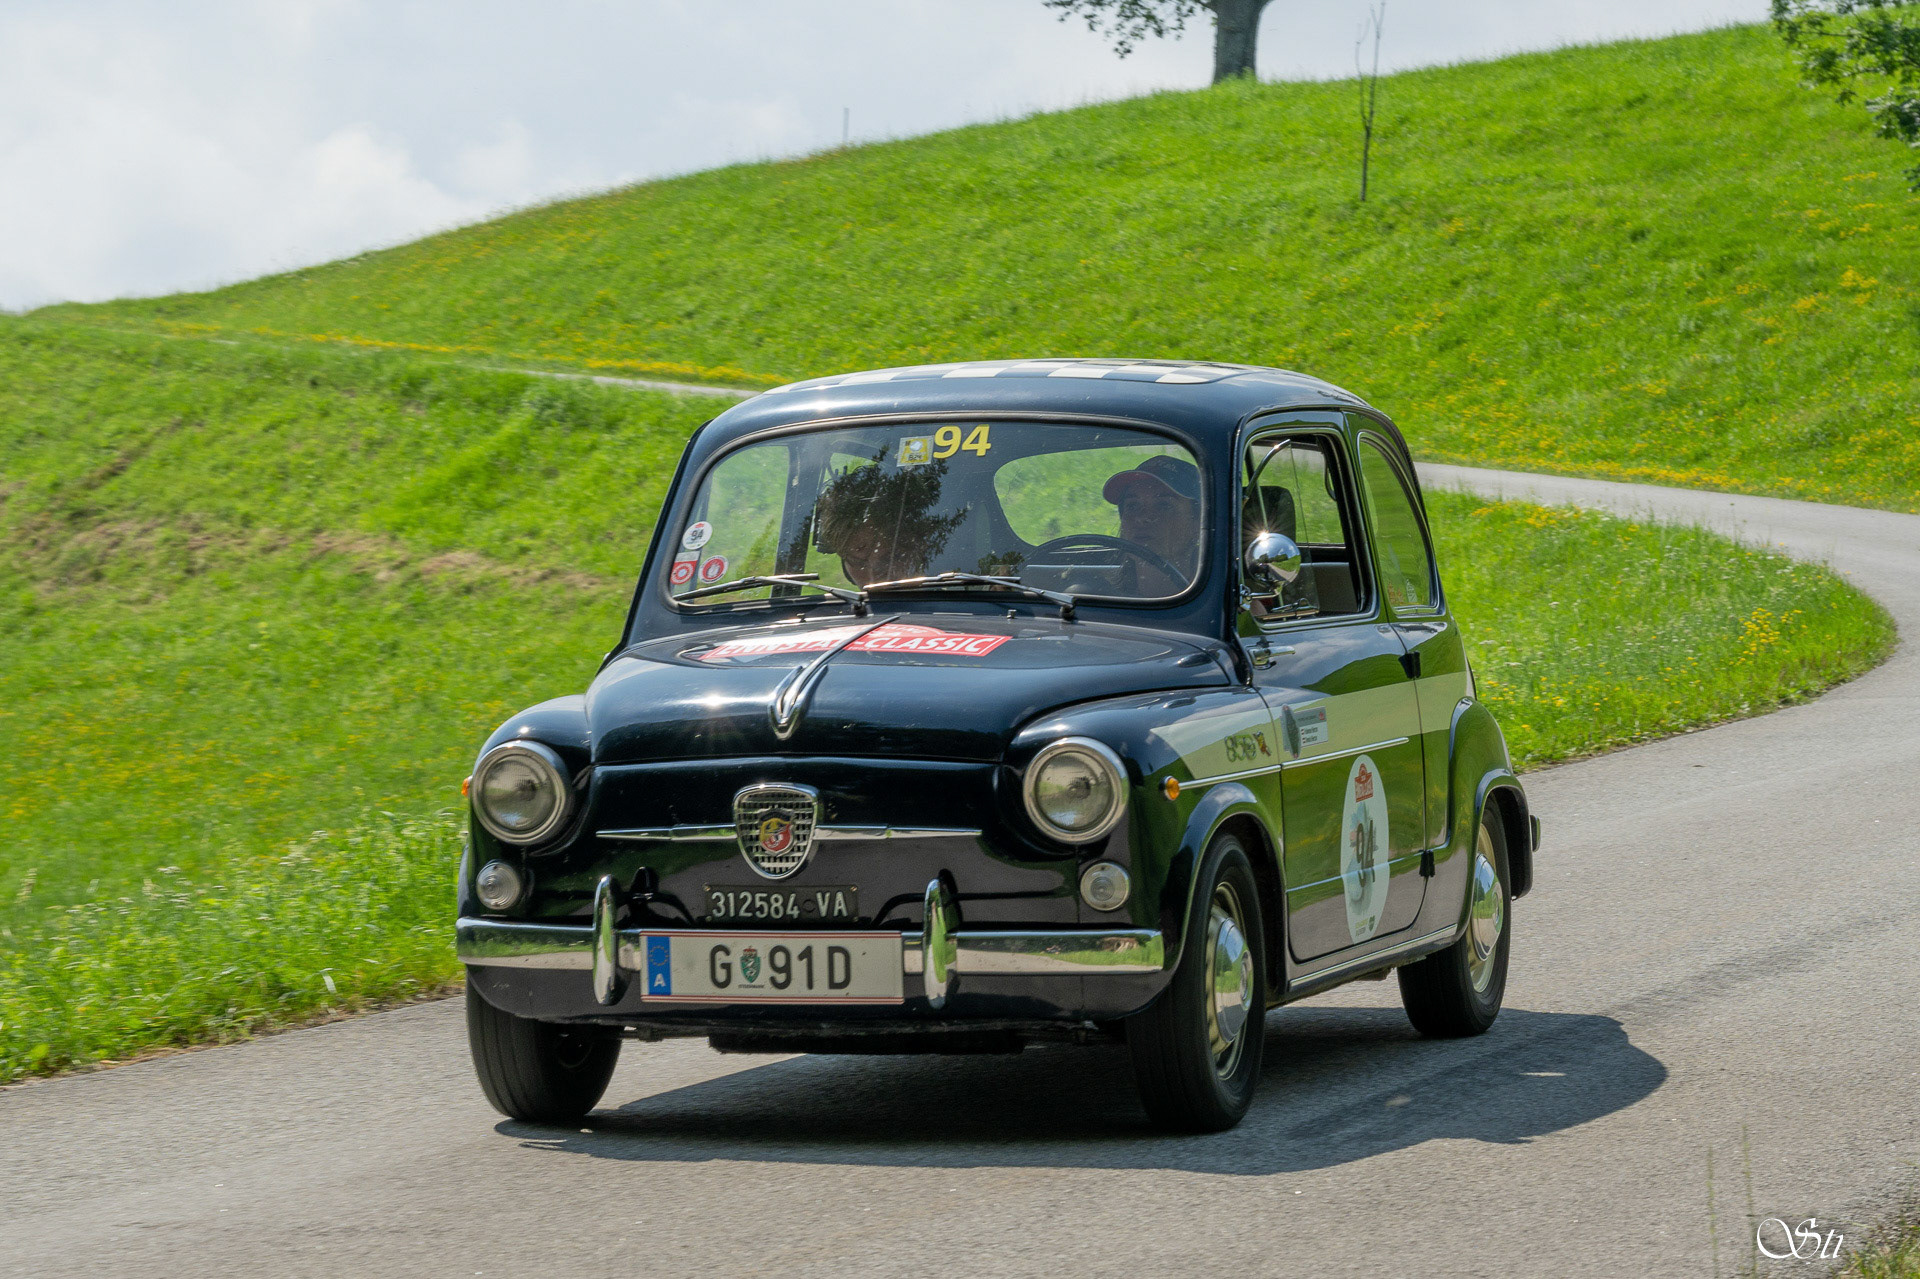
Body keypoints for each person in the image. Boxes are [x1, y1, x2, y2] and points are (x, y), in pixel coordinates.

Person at [1101, 455, 1202, 592]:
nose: (1142, 517)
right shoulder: (1094, 602)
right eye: (1133, 505)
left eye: (1164, 505)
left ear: (1199, 523)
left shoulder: (1221, 606)